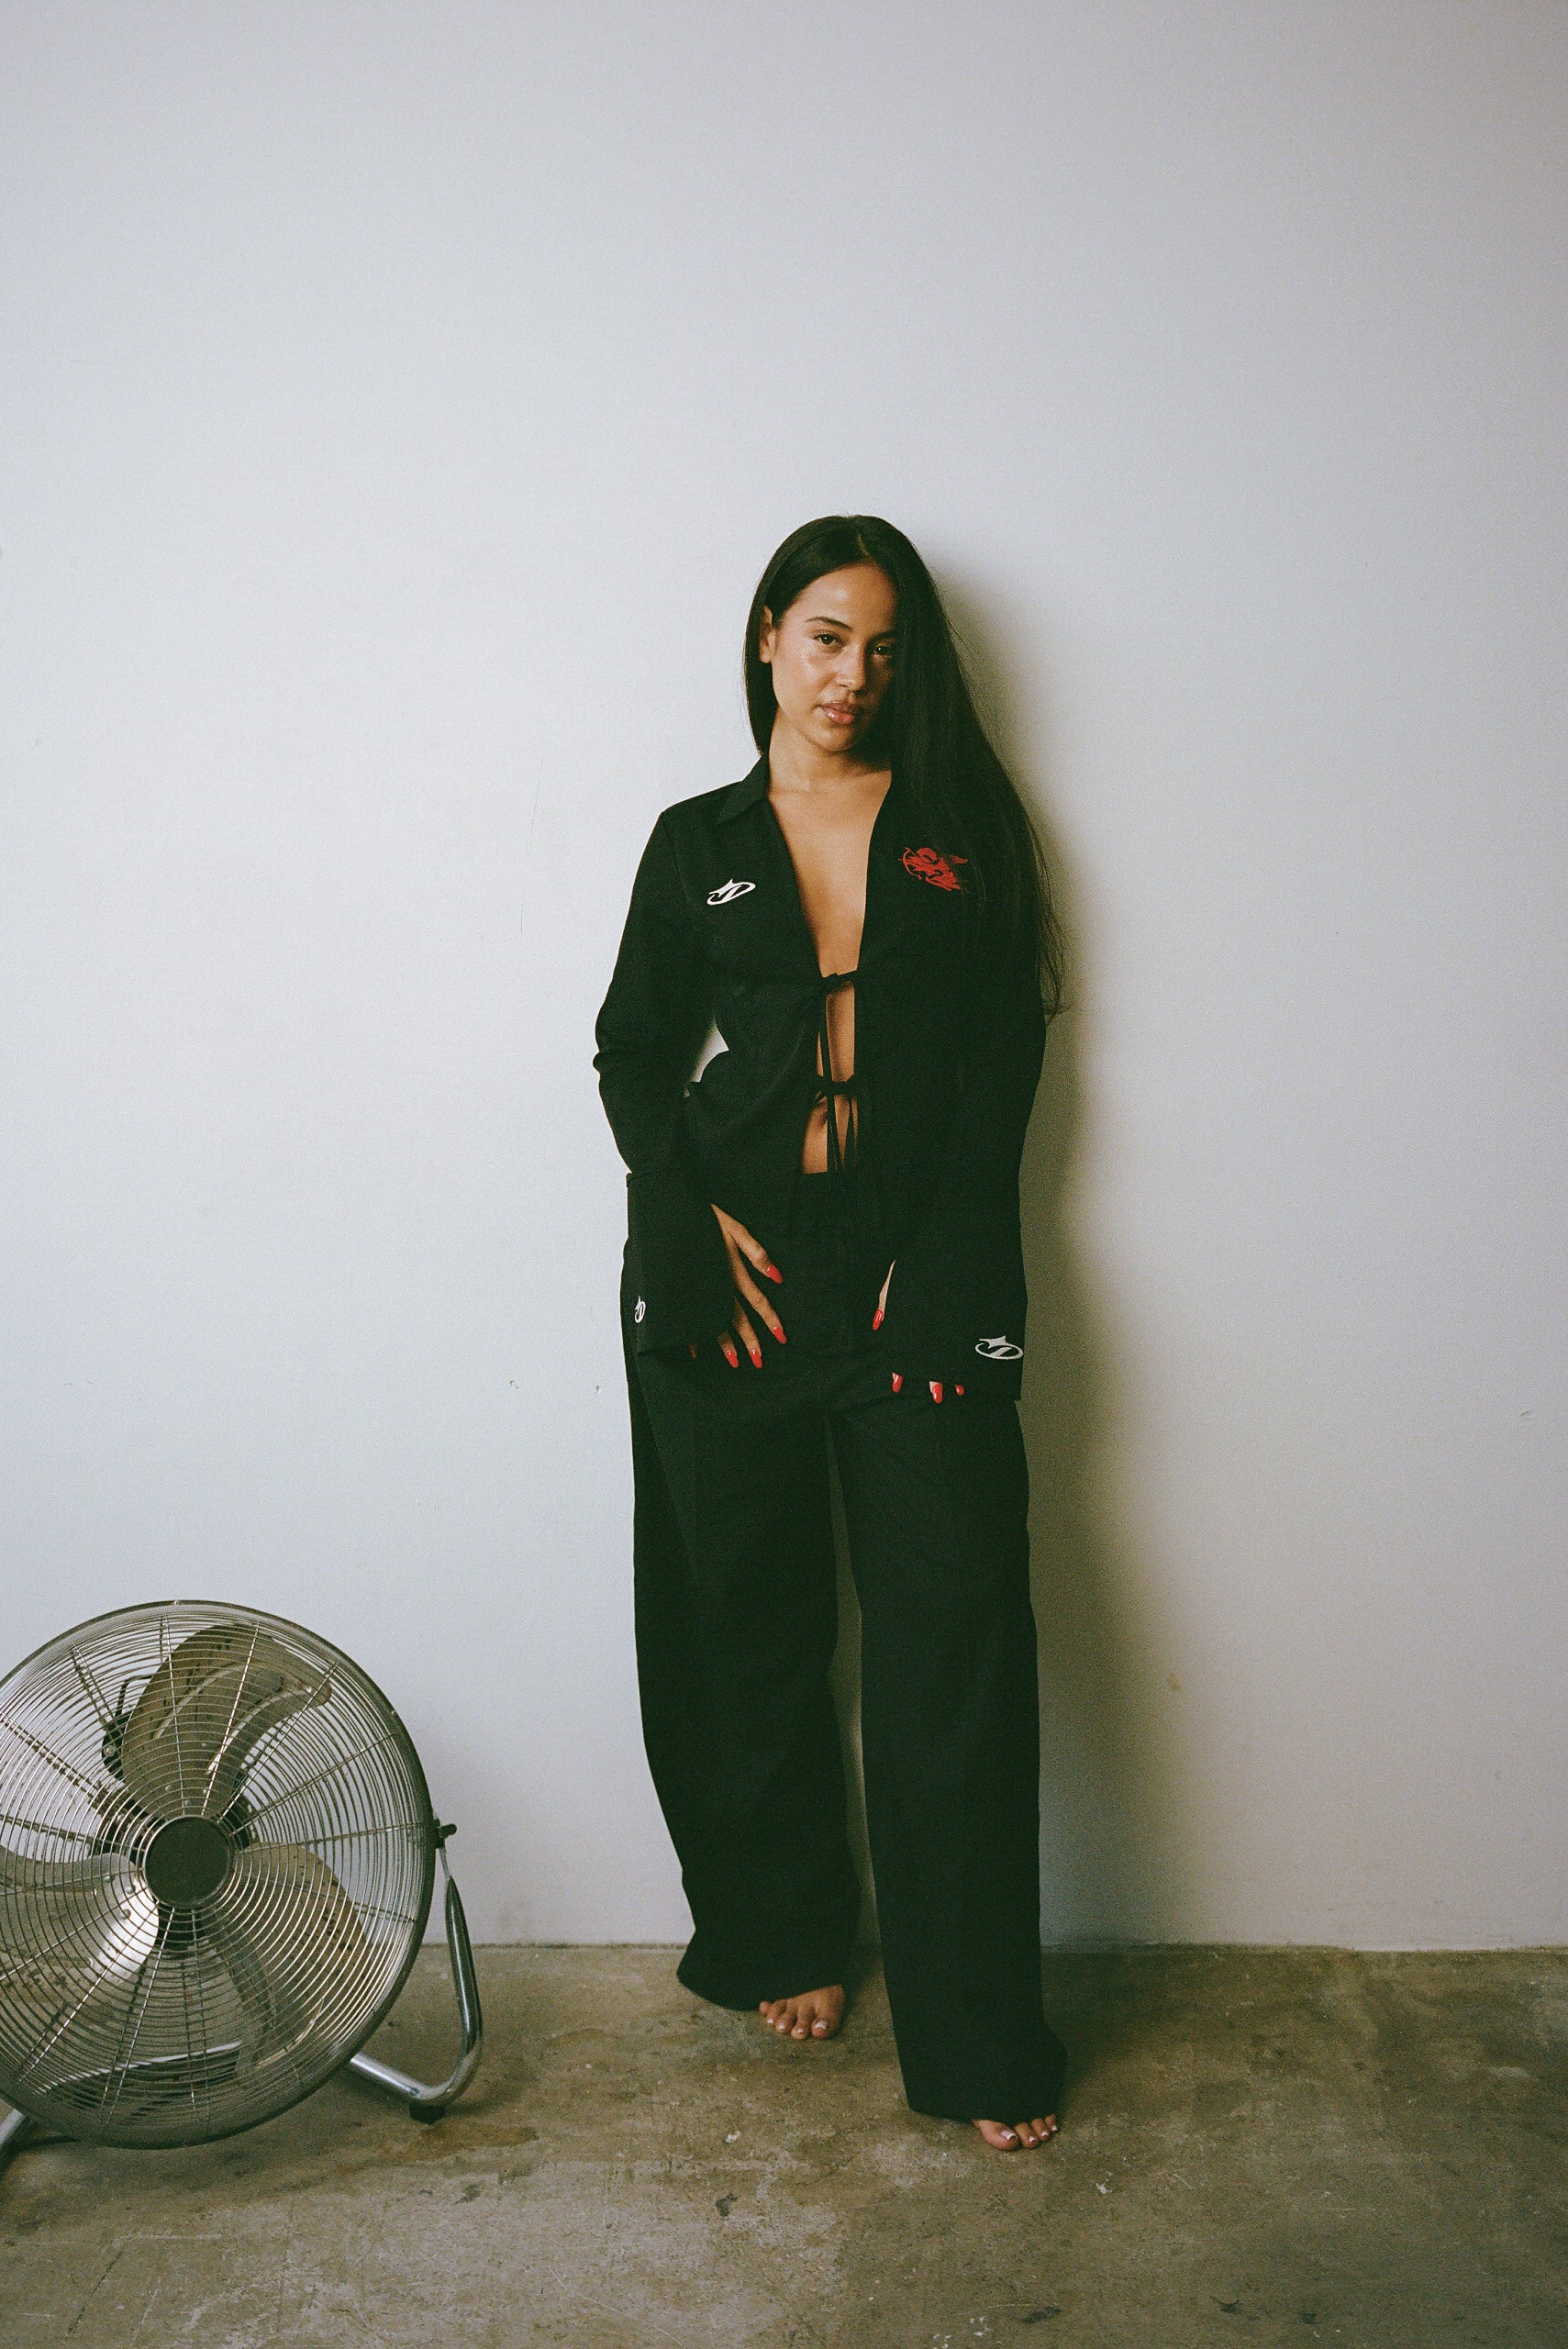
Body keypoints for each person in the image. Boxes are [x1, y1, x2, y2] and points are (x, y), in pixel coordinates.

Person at [595, 514, 1065, 2153]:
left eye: (883, 648)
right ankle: (780, 1931)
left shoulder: (964, 836)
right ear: (768, 639)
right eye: (825, 637)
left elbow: (1003, 1062)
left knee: (957, 1644)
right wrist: (680, 1216)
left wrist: (947, 1263)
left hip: (916, 1272)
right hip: (730, 1265)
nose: (852, 674)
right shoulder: (698, 840)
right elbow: (632, 1051)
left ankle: (979, 2036)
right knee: (738, 1623)